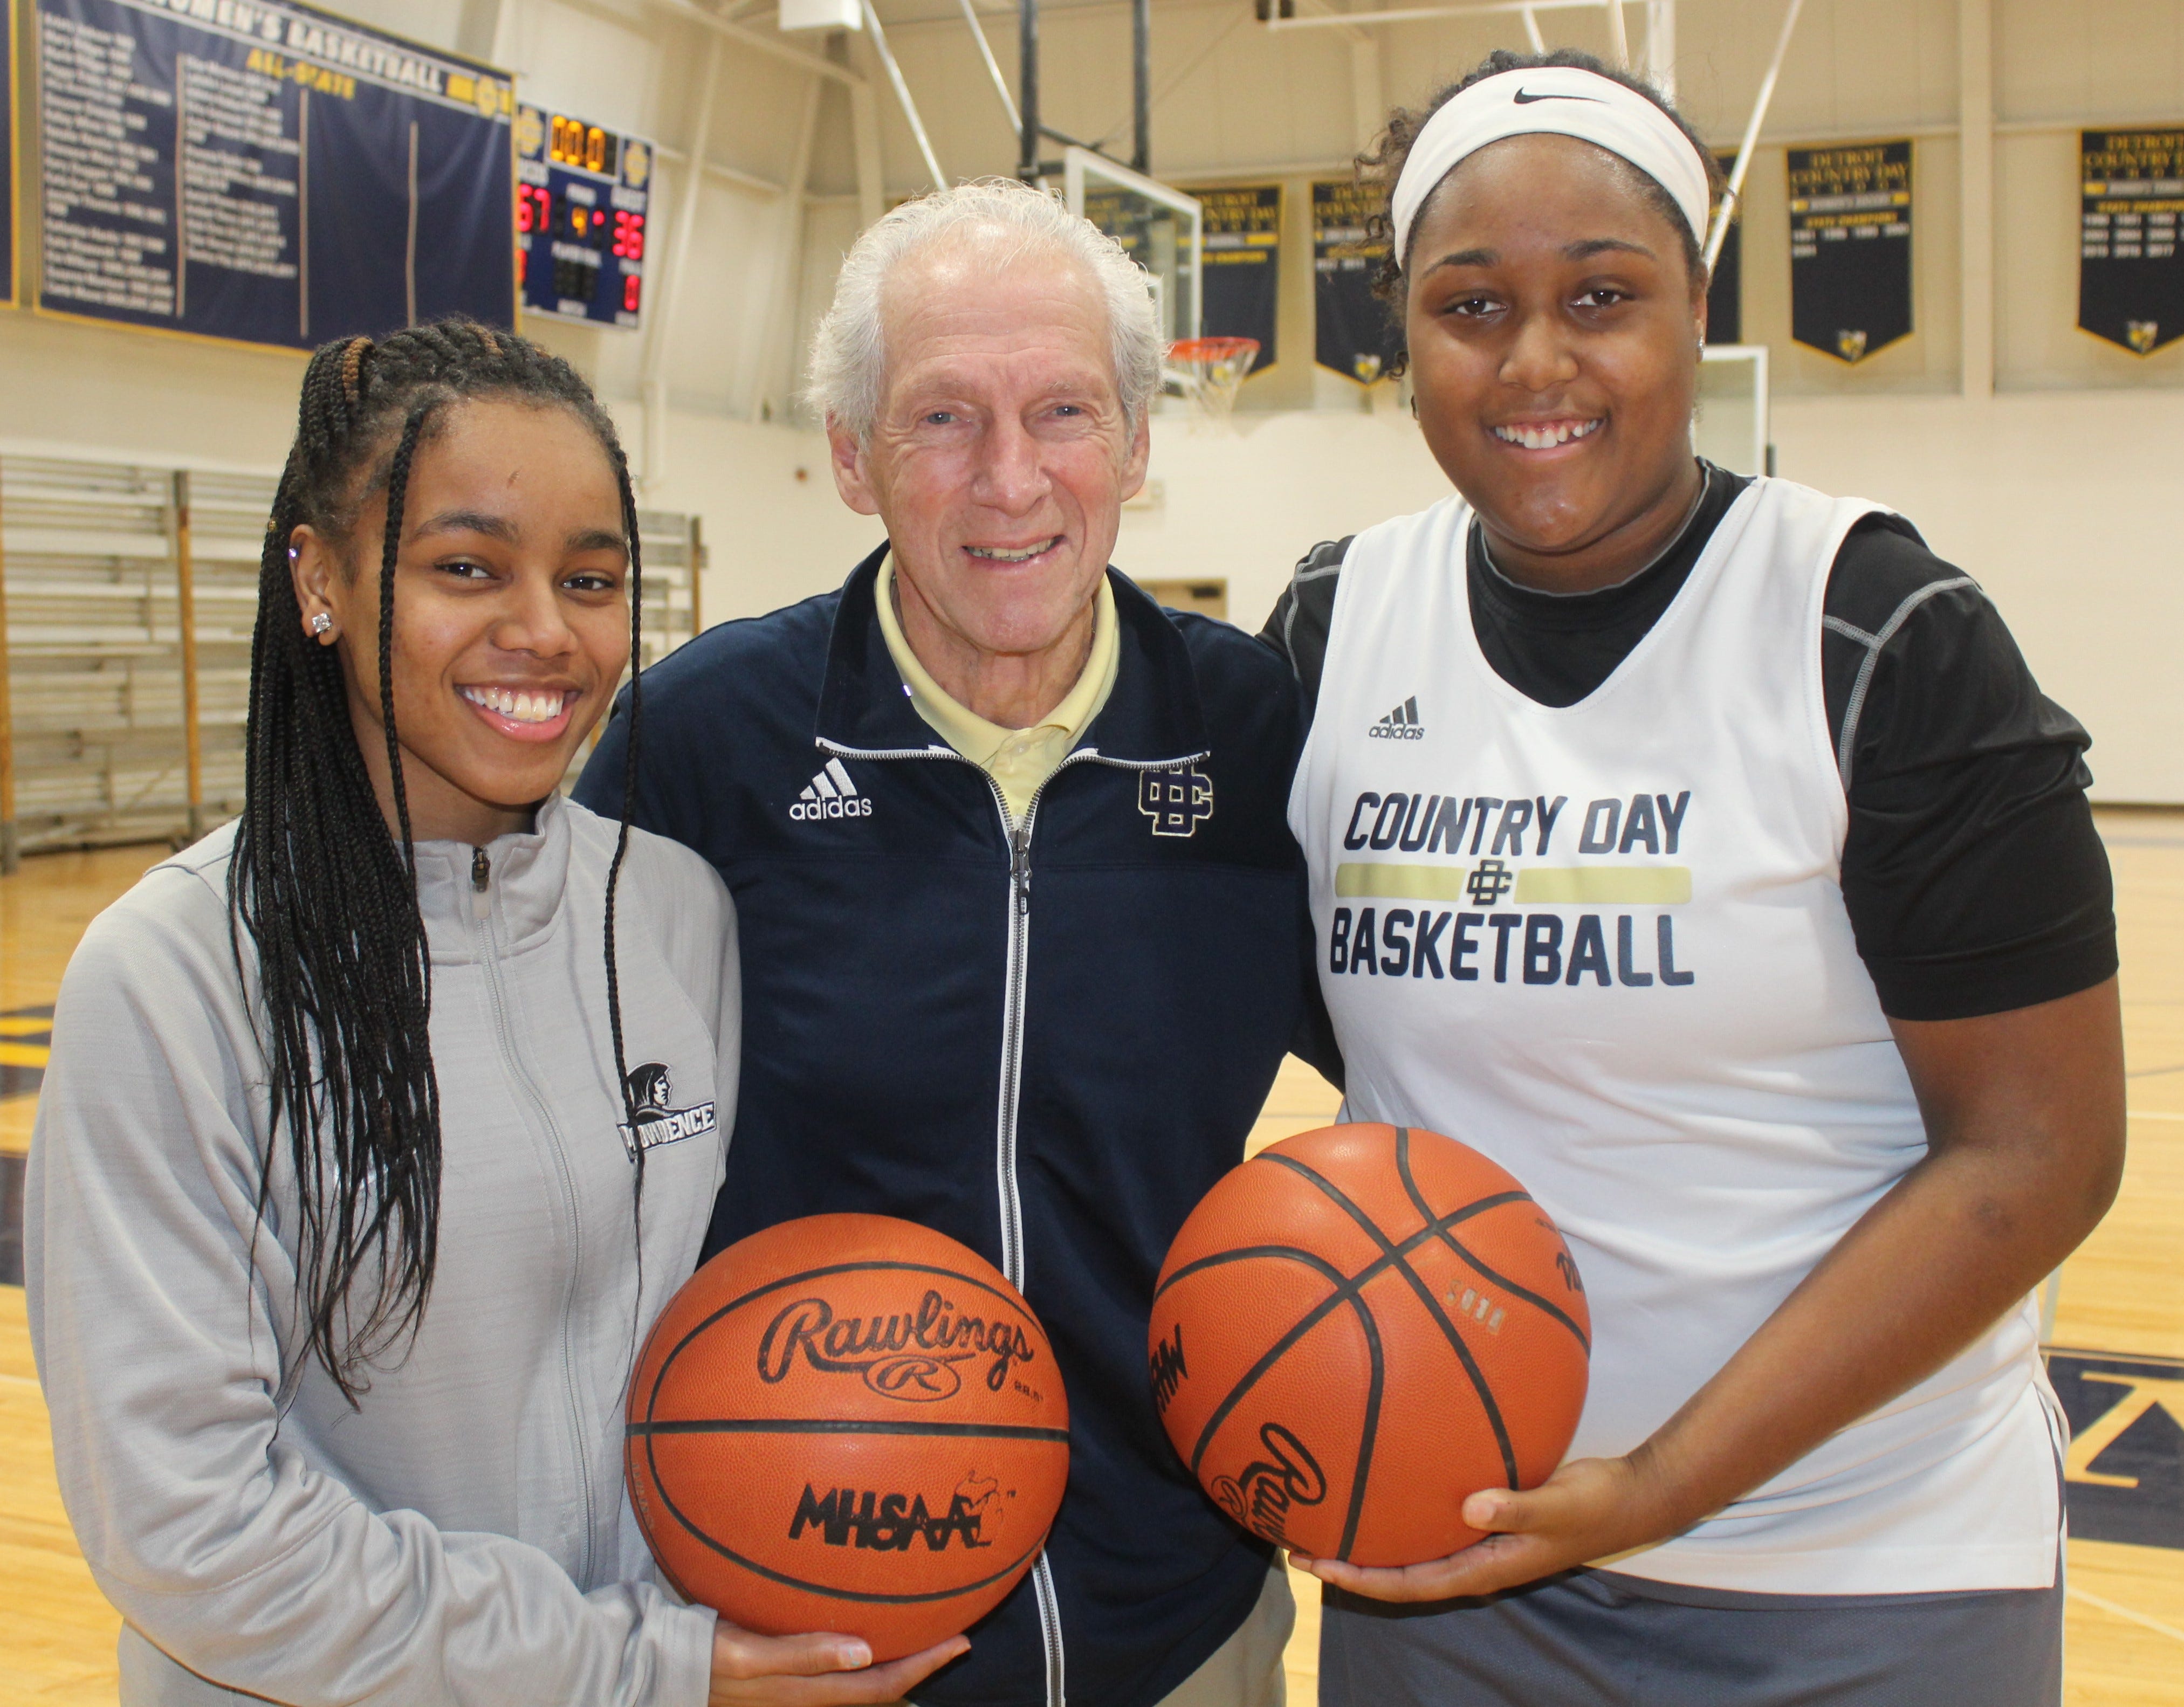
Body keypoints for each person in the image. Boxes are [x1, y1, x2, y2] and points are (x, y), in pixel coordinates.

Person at [1262, 51, 2124, 1707]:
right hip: (1447, 1550)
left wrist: (1659, 1481)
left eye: (1601, 293)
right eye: (1468, 305)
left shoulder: (1875, 627)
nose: (1536, 361)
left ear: (1695, 308)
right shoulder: (1327, 626)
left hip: (1862, 1570)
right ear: (1402, 331)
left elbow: (2039, 1148)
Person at [28, 322, 963, 1707]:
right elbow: (191, 1528)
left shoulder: (671, 910)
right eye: (466, 566)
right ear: (321, 580)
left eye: (590, 578)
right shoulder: (176, 971)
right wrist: (628, 1669)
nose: (543, 628)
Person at [577, 181, 1323, 1707]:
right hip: (809, 1617)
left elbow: (1434, 1061)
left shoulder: (1252, 736)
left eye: (1060, 411)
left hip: (1181, 1611)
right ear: (852, 457)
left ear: (1133, 441)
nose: (1008, 479)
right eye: (939, 418)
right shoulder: (705, 742)